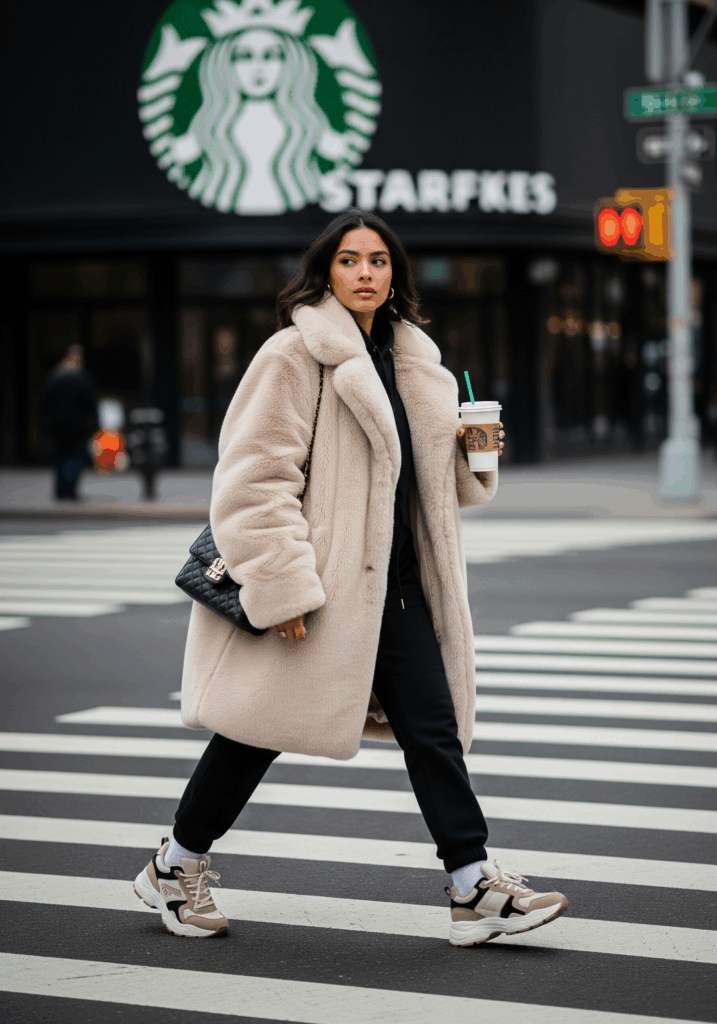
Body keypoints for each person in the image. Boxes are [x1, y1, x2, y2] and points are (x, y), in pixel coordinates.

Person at [133, 210, 569, 945]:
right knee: (253, 732)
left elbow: (434, 491)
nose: (365, 273)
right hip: (318, 585)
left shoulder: (414, 362)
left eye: (377, 260)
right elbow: (252, 480)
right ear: (324, 273)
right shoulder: (293, 357)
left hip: (398, 585)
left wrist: (470, 452)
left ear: (394, 273)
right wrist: (279, 587)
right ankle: (175, 867)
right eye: (348, 260)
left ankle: (471, 886)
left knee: (433, 732)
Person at [39, 344, 98, 501]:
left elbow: (44, 402)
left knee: (59, 457)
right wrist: (94, 424)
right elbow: (91, 404)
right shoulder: (81, 378)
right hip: (77, 426)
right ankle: (70, 490)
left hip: (57, 425)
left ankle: (60, 490)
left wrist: (45, 422)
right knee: (75, 457)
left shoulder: (54, 377)